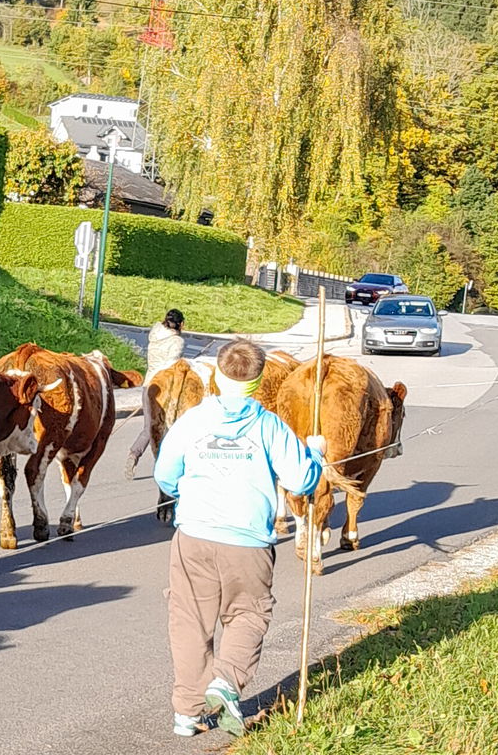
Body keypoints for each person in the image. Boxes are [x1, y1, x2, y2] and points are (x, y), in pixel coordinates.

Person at [154, 339, 324, 738]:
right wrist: (314, 455)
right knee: (248, 614)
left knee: (189, 620)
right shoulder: (269, 426)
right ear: (258, 381)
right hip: (247, 542)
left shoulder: (193, 422)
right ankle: (226, 682)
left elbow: (165, 475)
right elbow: (302, 480)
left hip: (193, 535)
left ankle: (187, 712)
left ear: (215, 375)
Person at [123, 308, 186, 477]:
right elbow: (172, 367)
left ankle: (134, 454)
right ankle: (164, 464)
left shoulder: (155, 335)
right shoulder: (177, 342)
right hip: (165, 388)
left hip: (148, 385)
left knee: (149, 426)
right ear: (180, 324)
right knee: (169, 426)